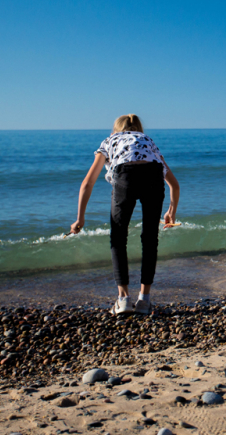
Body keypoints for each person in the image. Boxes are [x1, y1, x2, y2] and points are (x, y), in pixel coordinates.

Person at [70, 114, 180, 315]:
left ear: (115, 130)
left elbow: (87, 182)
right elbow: (174, 184)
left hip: (125, 176)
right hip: (154, 176)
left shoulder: (110, 140)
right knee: (150, 239)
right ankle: (144, 301)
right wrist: (171, 212)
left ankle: (123, 300)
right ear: (139, 130)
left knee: (118, 238)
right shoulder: (148, 142)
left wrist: (80, 218)